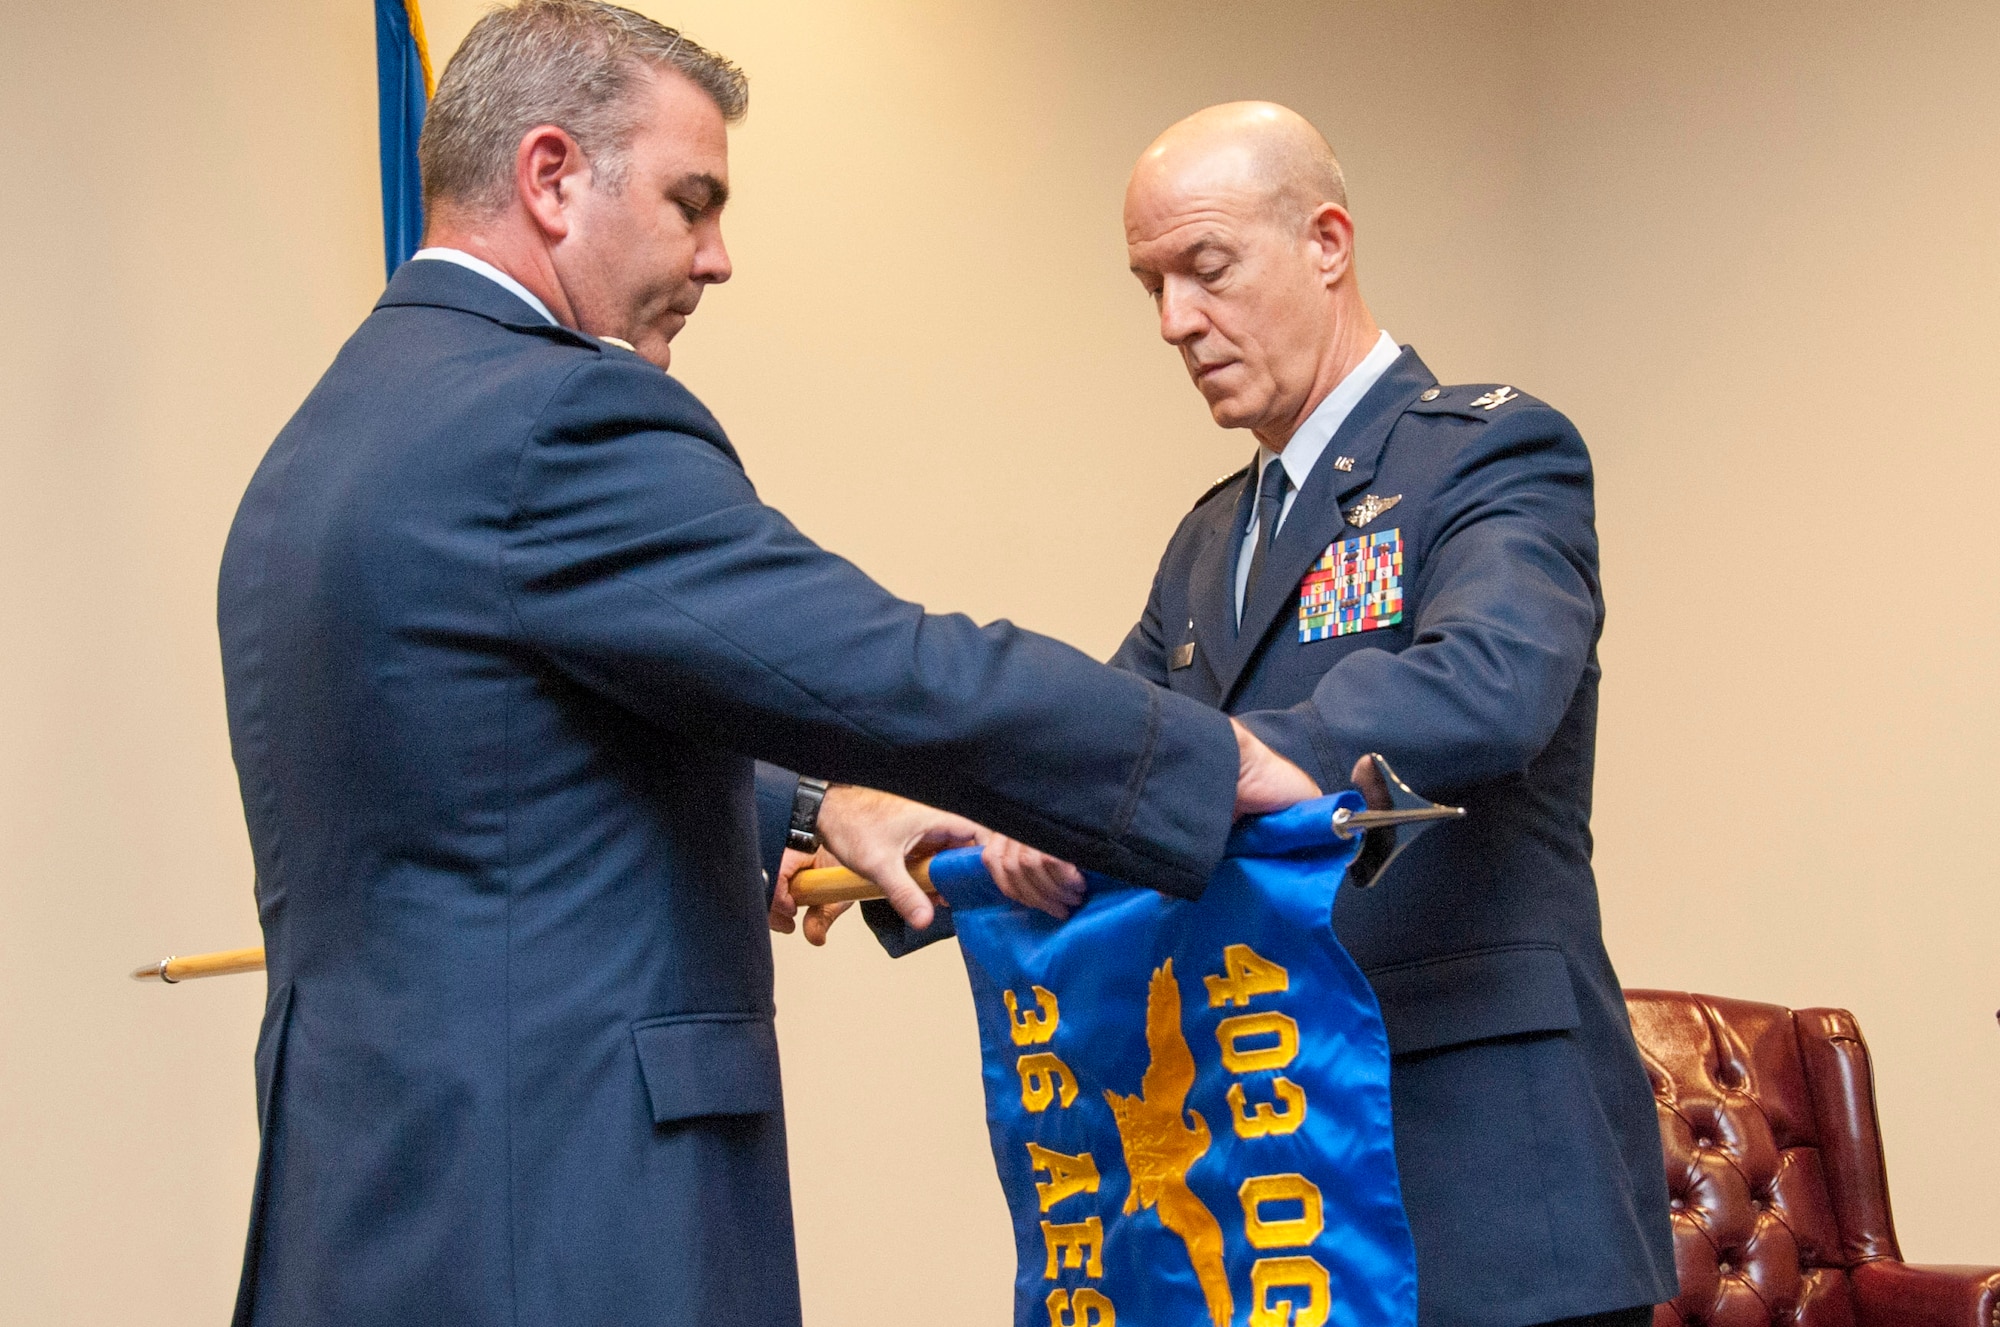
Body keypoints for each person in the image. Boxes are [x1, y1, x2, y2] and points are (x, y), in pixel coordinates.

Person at [213, 6, 1316, 1323]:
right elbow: (884, 669)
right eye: (693, 202)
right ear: (552, 177)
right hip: (569, 1219)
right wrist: (1203, 755)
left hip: (370, 1217)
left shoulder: (319, 447)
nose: (717, 257)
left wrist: (809, 807)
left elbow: (490, 762)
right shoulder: (556, 417)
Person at [814, 103, 1677, 1327]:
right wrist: (935, 813)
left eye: (1205, 269)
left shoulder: (1488, 456)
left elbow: (1490, 683)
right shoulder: (1212, 536)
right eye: (1150, 285)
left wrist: (1247, 758)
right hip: (1282, 1186)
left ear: (1326, 241)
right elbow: (1097, 753)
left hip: (1480, 1175)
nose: (1174, 322)